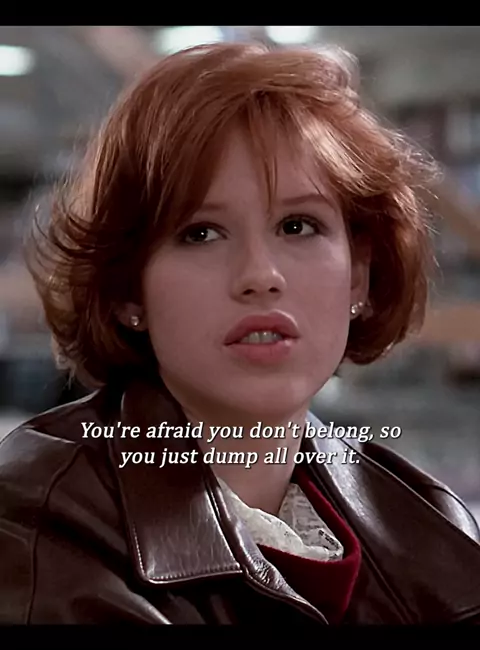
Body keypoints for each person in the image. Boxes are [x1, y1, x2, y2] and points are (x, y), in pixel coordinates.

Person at [1, 42, 480, 625]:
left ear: (358, 274)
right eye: (201, 233)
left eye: (298, 226)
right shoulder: (38, 526)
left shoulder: (432, 526)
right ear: (129, 290)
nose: (260, 275)